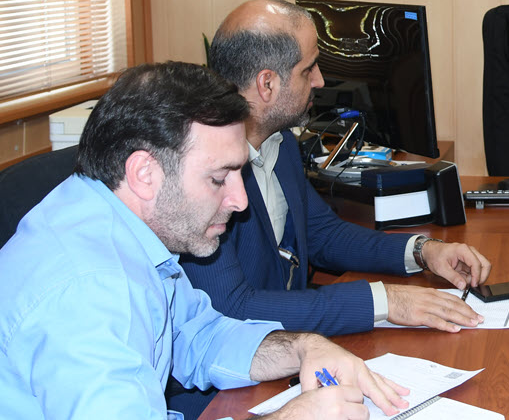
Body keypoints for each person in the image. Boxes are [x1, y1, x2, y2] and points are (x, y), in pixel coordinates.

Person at [0, 62, 410, 420]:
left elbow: (200, 336)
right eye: (218, 179)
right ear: (144, 174)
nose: (240, 200)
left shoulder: (127, 230)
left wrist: (304, 348)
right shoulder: (89, 293)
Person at [173, 0, 490, 418]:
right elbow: (235, 308)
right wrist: (383, 301)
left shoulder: (280, 142)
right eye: (309, 70)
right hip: (222, 395)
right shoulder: (203, 175)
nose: (321, 81)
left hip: (290, 364)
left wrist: (421, 251)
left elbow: (323, 233)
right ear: (267, 84)